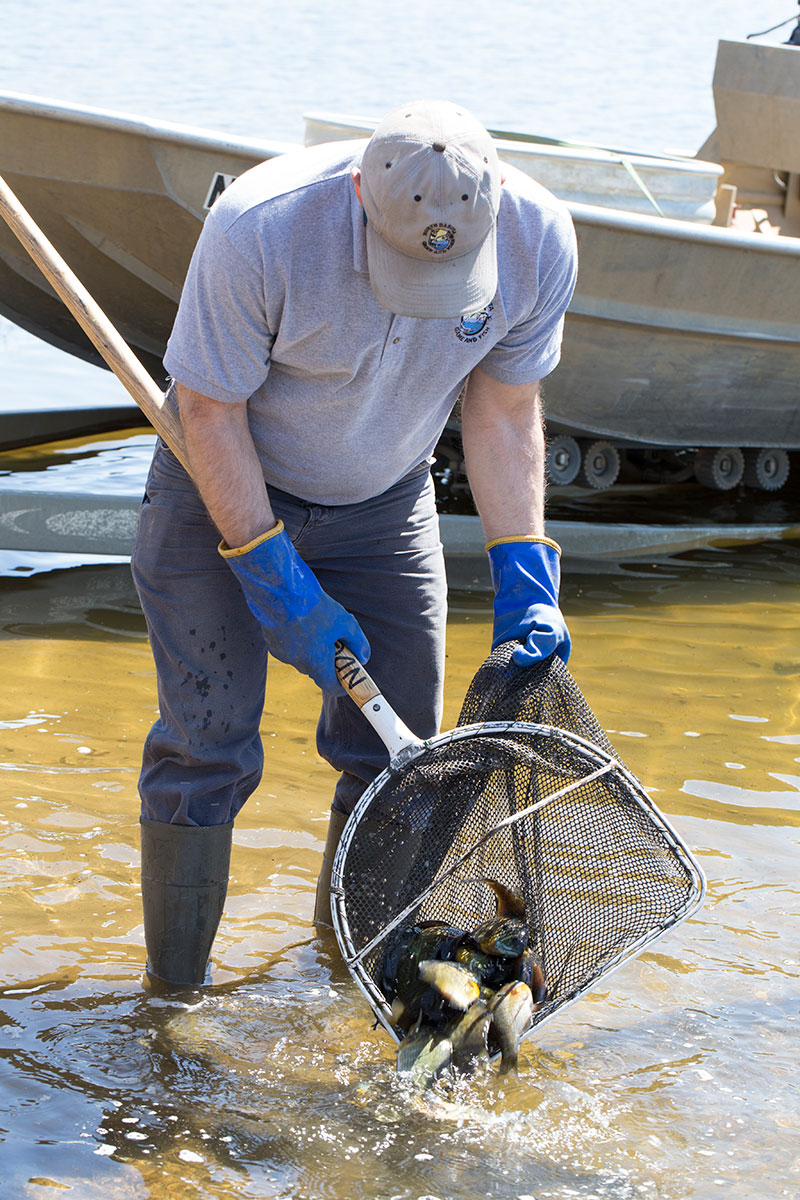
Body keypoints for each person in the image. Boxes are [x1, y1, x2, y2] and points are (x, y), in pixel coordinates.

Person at [131, 99, 578, 987]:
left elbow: (503, 410)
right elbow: (209, 411)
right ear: (357, 199)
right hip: (218, 475)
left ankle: (348, 977)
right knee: (208, 743)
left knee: (397, 755)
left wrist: (526, 570)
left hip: (387, 497)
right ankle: (170, 1001)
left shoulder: (538, 239)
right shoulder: (259, 229)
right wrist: (269, 570)